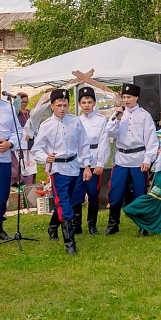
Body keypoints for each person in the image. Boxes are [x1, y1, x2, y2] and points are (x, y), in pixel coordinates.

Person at [31, 89, 92, 254]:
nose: (62, 109)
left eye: (65, 105)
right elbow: (36, 149)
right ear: (52, 106)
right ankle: (70, 243)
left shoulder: (76, 121)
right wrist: (45, 157)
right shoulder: (46, 126)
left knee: (69, 200)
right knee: (63, 201)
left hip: (73, 166)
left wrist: (86, 165)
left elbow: (83, 144)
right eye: (59, 105)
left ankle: (52, 227)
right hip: (57, 169)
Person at [105, 83, 158, 236]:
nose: (126, 100)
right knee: (115, 191)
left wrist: (148, 159)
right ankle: (113, 224)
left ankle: (142, 226)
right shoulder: (119, 114)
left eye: (129, 97)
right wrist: (115, 118)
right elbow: (109, 132)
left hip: (138, 158)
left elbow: (151, 140)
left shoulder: (144, 115)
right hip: (121, 158)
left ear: (136, 97)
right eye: (124, 97)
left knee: (140, 192)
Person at [70, 87, 110, 235]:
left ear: (94, 103)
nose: (86, 105)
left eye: (89, 102)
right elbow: (74, 144)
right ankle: (76, 225)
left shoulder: (101, 121)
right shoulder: (75, 121)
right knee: (77, 194)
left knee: (93, 193)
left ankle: (92, 224)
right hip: (78, 163)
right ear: (79, 104)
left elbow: (104, 143)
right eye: (83, 102)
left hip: (94, 160)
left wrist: (100, 163)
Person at [0, 73, 21, 240]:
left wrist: (10, 145)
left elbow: (18, 131)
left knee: (2, 193)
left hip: (3, 156)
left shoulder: (8, 107)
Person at [15, 92, 37, 186]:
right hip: (20, 143)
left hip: (30, 143)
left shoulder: (29, 112)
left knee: (31, 167)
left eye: (26, 102)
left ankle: (30, 185)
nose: (25, 104)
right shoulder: (16, 112)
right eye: (23, 102)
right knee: (21, 166)